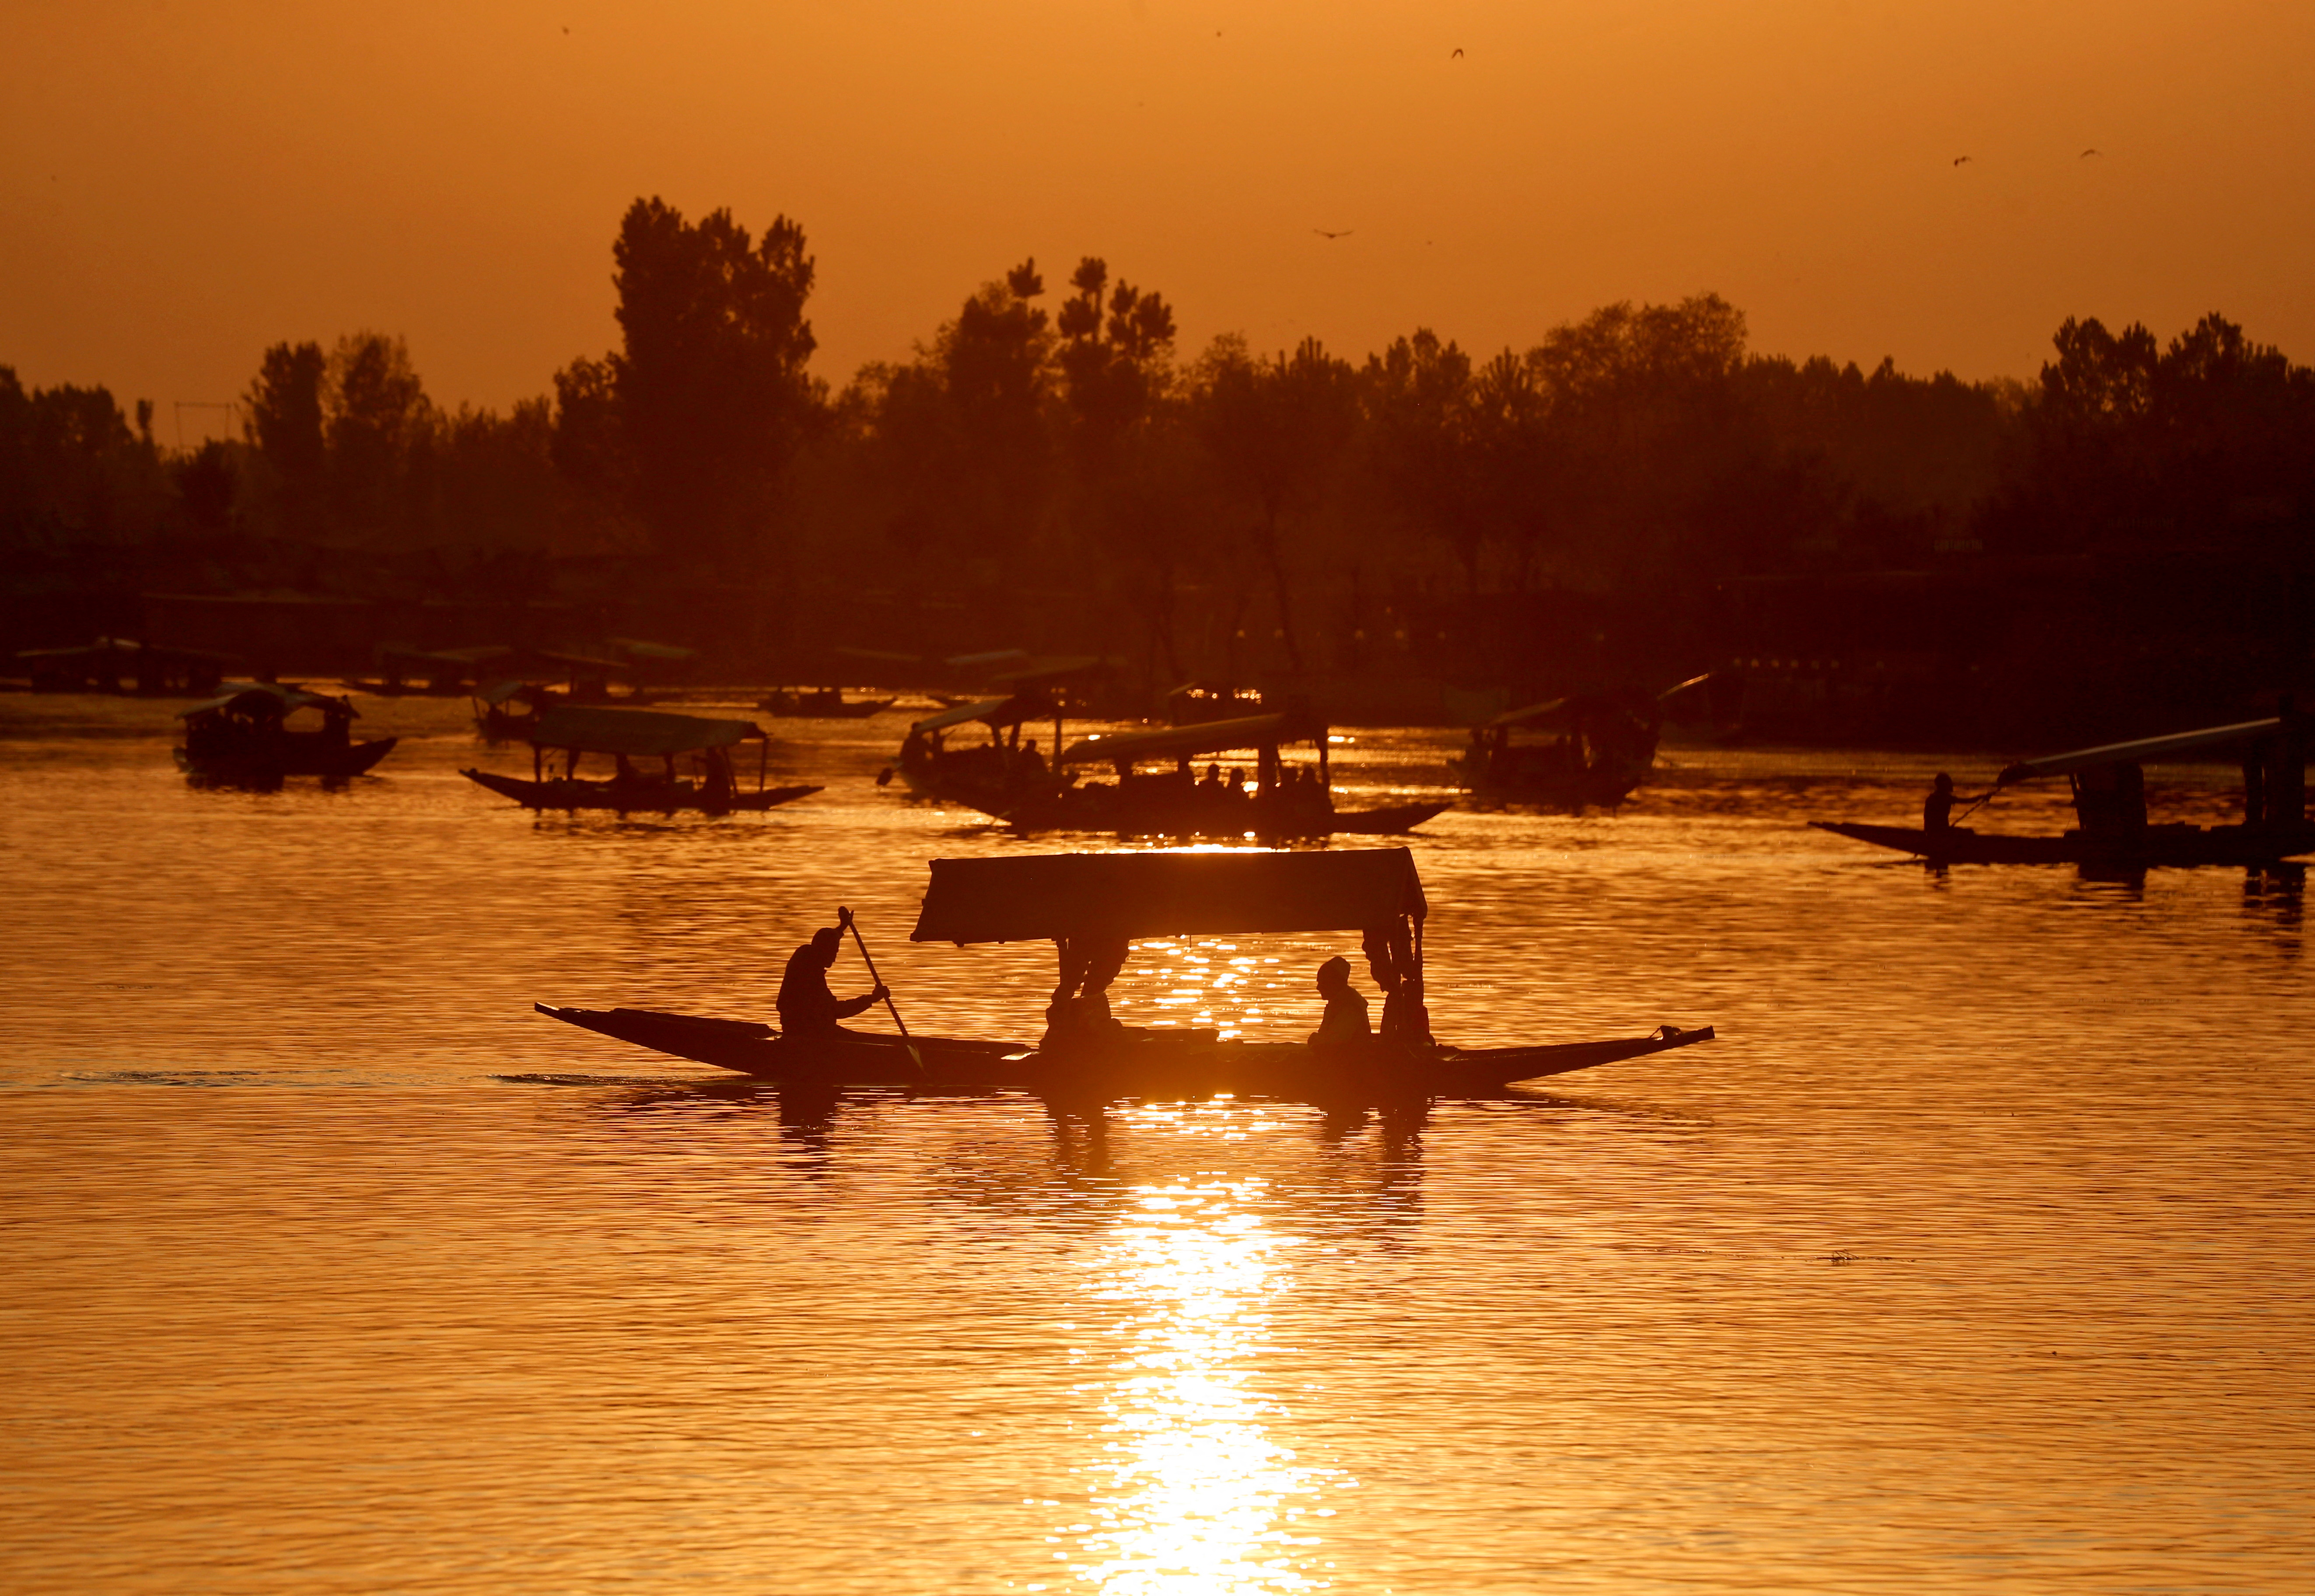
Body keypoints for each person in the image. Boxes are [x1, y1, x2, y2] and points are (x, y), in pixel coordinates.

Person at [776, 917, 889, 1039]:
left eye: (836, 952)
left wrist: (841, 928)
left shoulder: (804, 954)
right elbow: (836, 1011)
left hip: (807, 1028)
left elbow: (826, 941)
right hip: (808, 1033)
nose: (835, 958)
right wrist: (871, 999)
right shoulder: (811, 979)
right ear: (824, 951)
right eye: (833, 953)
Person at [1306, 956, 1372, 1050]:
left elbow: (1334, 1042)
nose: (1318, 988)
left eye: (1322, 982)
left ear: (1334, 982)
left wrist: (1315, 1039)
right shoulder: (1337, 1003)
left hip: (1350, 1057)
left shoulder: (1350, 1007)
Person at [1923, 772, 1987, 836]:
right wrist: (1981, 797)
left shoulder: (1931, 798)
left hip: (1932, 831)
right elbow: (1967, 801)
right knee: (1970, 832)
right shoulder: (1946, 798)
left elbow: (1927, 821)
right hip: (1942, 832)